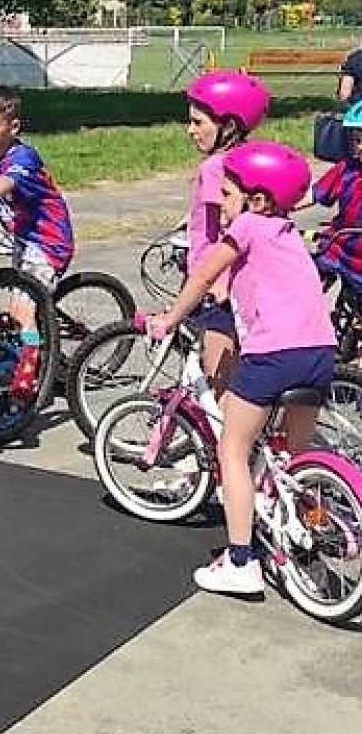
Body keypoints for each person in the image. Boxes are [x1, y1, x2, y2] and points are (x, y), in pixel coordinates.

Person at [148, 141, 336, 597]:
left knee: (232, 449)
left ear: (258, 200)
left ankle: (240, 561)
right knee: (294, 456)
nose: (220, 201)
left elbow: (202, 274)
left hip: (272, 355)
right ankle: (307, 527)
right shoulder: (287, 233)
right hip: (319, 352)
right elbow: (260, 279)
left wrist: (170, 318)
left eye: (228, 194)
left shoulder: (248, 225)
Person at [0, 85, 74, 394]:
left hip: (46, 241)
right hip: (14, 232)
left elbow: (4, 183)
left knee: (21, 311)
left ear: (13, 127)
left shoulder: (24, 156)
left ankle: (30, 371)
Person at [180, 70, 271, 395]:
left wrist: (217, 282)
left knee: (219, 382)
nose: (190, 130)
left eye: (198, 122)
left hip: (217, 283)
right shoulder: (248, 158)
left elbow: (227, 228)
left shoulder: (214, 168)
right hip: (244, 281)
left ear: (228, 125)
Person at [310, 99, 362, 289]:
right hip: (341, 246)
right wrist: (280, 204)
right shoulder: (346, 169)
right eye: (357, 141)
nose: (360, 147)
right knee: (310, 275)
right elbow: (314, 195)